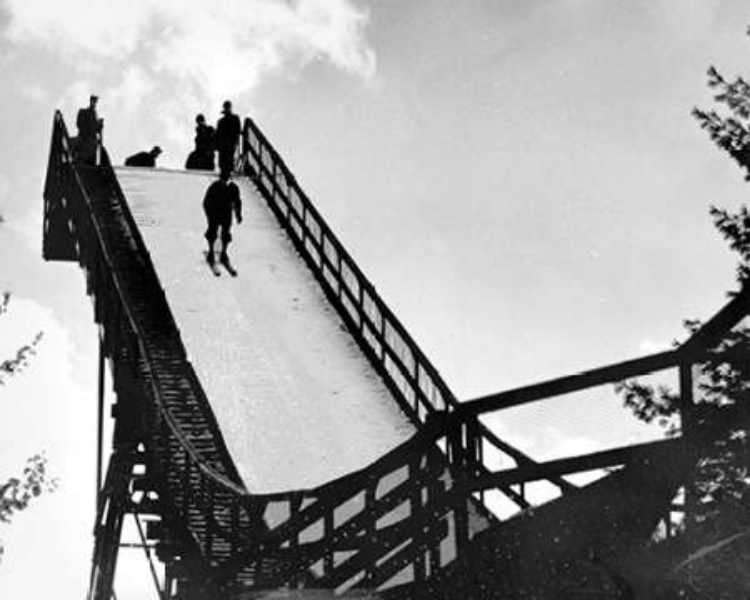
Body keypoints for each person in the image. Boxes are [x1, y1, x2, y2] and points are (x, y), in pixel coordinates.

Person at [203, 168, 243, 270]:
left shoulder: (233, 187)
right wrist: (209, 214)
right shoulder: (215, 186)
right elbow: (207, 201)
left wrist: (238, 214)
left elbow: (237, 201)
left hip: (226, 213)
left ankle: (223, 253)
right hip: (215, 212)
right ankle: (211, 252)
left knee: (225, 234)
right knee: (212, 232)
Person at [75, 95, 103, 165]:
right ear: (91, 101)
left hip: (92, 144)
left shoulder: (94, 114)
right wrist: (86, 136)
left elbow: (96, 129)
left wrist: (100, 124)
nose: (95, 103)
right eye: (94, 101)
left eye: (96, 102)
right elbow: (80, 124)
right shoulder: (83, 112)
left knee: (92, 161)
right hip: (85, 141)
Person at [215, 100, 241, 175]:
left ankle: (228, 173)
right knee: (223, 161)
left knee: (229, 159)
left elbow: (238, 130)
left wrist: (236, 140)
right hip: (223, 144)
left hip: (230, 143)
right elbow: (218, 134)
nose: (227, 108)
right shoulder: (220, 121)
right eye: (226, 107)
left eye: (227, 107)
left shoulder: (235, 118)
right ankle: (224, 174)